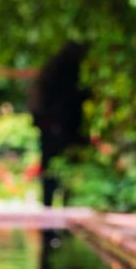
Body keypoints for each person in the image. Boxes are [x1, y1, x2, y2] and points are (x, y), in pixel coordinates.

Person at [28, 41, 86, 208]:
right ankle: (58, 203)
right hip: (58, 124)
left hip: (53, 124)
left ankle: (53, 203)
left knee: (53, 165)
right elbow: (67, 97)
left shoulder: (53, 68)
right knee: (59, 164)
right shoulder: (64, 69)